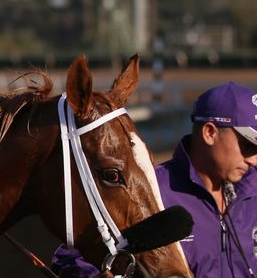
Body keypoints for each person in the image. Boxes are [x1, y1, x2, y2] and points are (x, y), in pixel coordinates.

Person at [52, 82, 257, 277]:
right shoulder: (149, 190)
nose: (254, 160)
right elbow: (70, 259)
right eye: (248, 146)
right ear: (210, 133)